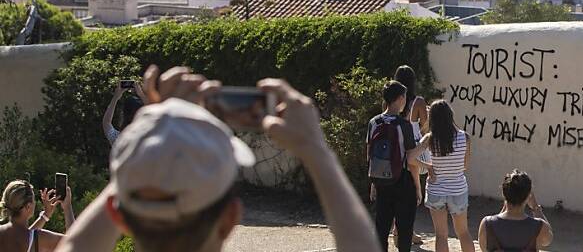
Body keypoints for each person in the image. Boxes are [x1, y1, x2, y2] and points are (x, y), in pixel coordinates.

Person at [55, 65, 382, 252]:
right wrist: (317, 152)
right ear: (230, 218)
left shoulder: (118, 202)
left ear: (119, 214)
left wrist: (156, 128)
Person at [406, 100, 474, 252]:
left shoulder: (430, 138)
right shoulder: (465, 137)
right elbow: (465, 166)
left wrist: (429, 166)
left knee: (441, 235)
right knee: (463, 232)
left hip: (436, 189)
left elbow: (410, 158)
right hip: (458, 189)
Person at [367, 81, 418, 252]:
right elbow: (411, 159)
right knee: (404, 230)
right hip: (402, 180)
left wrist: (373, 182)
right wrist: (418, 187)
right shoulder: (404, 125)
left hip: (381, 180)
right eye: (404, 96)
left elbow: (370, 154)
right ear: (399, 98)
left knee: (381, 228)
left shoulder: (374, 122)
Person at [392, 65, 428, 245]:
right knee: (413, 191)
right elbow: (425, 125)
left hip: (395, 146)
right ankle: (407, 232)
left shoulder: (390, 100)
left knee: (396, 189)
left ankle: (397, 231)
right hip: (413, 146)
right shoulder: (418, 102)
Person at [477, 170, 552, 252]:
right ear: (528, 196)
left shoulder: (487, 224)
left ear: (504, 193)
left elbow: (484, 248)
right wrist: (535, 207)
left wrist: (505, 205)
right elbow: (548, 240)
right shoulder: (539, 226)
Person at [0, 180, 74, 252]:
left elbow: (25, 236)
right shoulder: (41, 239)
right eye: (34, 200)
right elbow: (74, 243)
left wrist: (45, 215)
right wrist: (67, 207)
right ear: (28, 206)